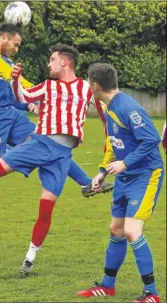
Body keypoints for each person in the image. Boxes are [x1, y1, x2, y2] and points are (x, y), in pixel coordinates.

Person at [0, 44, 108, 277]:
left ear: (65, 62)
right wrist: (16, 80)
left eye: (52, 59)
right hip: (38, 144)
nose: (48, 64)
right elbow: (22, 96)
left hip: (61, 156)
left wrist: (109, 135)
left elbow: (104, 108)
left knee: (46, 210)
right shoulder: (48, 86)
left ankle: (30, 258)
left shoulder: (86, 88)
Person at [0, 23, 113, 250]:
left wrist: (33, 103)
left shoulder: (9, 63)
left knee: (52, 144)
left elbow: (17, 93)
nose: (17, 48)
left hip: (11, 115)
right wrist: (32, 91)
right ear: (4, 37)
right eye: (16, 43)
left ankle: (86, 184)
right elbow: (8, 76)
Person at [76, 63, 164, 302]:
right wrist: (103, 171)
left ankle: (152, 294)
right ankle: (107, 286)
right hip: (125, 178)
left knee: (132, 231)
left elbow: (151, 139)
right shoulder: (108, 107)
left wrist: (124, 164)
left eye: (88, 83)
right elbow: (113, 142)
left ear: (95, 85)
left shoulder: (126, 107)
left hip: (145, 175)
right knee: (116, 229)